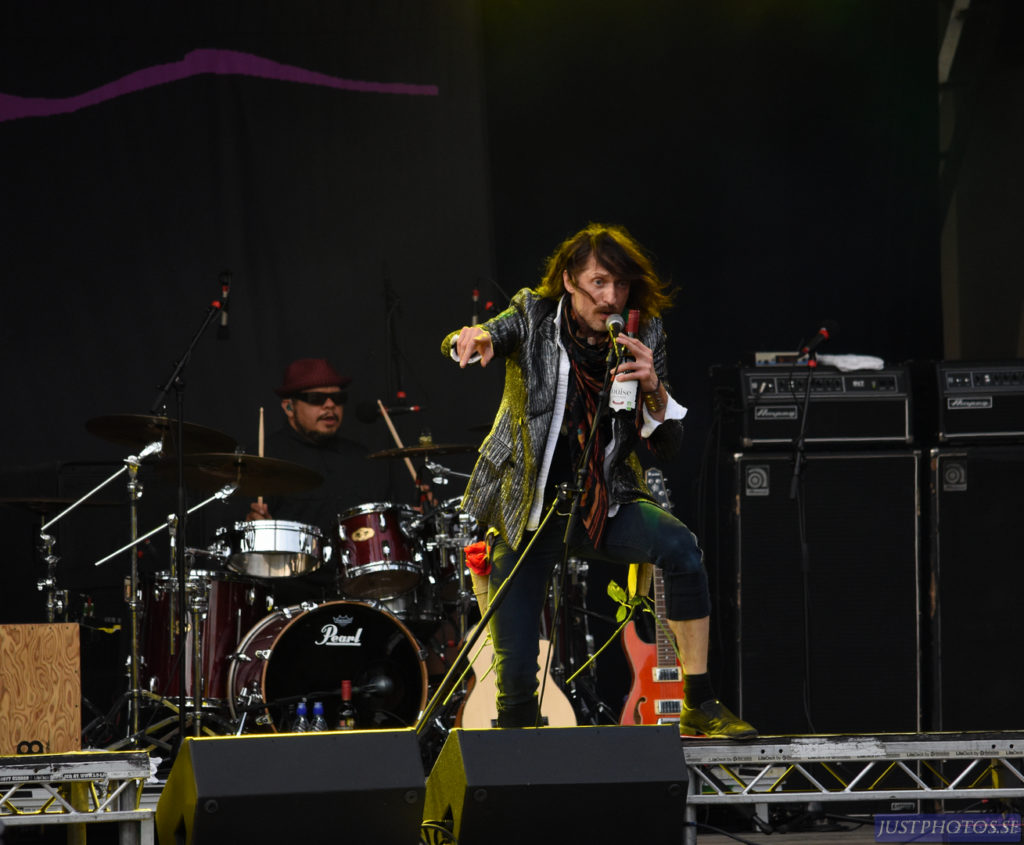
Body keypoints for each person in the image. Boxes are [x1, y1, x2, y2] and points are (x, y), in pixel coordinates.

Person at [442, 223, 757, 738]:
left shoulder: (643, 333)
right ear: (570, 281)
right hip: (526, 510)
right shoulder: (534, 315)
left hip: (604, 502)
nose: (611, 297)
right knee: (515, 683)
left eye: (621, 285)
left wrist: (654, 388)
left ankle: (699, 700)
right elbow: (485, 335)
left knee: (680, 547)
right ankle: (519, 761)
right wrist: (471, 337)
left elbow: (668, 445)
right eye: (599, 282)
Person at [246, 357, 391, 601]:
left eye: (338, 398)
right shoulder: (264, 458)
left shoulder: (363, 459)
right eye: (316, 399)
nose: (330, 405)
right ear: (288, 407)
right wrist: (256, 528)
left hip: (358, 593)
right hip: (290, 597)